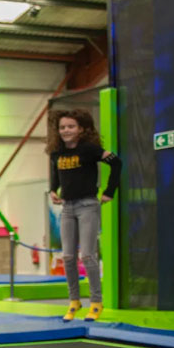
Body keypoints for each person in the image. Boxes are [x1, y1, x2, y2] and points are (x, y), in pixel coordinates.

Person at [48, 109, 121, 322]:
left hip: (87, 204)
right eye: (62, 127)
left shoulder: (89, 150)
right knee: (68, 257)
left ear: (81, 129)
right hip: (67, 207)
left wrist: (109, 191)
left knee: (87, 255)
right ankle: (74, 301)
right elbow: (56, 172)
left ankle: (96, 302)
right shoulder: (57, 153)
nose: (66, 131)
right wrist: (54, 189)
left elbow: (117, 163)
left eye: (71, 127)